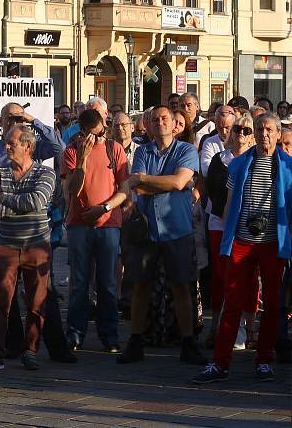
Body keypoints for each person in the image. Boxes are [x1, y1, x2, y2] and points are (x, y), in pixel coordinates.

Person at [194, 113, 292, 384]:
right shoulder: (238, 165)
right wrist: (228, 236)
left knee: (273, 305)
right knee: (232, 302)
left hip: (273, 243)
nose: (264, 134)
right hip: (241, 241)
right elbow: (226, 205)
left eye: (269, 130)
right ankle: (220, 363)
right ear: (252, 134)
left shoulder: (288, 167)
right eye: (259, 129)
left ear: (277, 133)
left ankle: (264, 361)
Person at [0, 103, 64, 353]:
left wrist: (31, 118)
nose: (14, 121)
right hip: (4, 234)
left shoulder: (33, 149)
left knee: (41, 294)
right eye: (10, 117)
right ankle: (13, 344)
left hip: (34, 237)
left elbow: (59, 147)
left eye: (18, 117)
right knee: (5, 294)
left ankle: (52, 346)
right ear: (0, 120)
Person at [118, 105, 206, 365]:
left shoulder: (187, 150)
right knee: (141, 286)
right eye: (155, 119)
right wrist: (153, 183)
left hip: (176, 229)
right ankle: (135, 341)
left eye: (164, 118)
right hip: (147, 229)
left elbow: (179, 182)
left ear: (173, 123)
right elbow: (141, 188)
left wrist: (146, 180)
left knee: (181, 286)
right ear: (148, 123)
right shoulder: (143, 151)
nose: (160, 123)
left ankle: (188, 342)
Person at [0, 124, 56, 372]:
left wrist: (4, 200)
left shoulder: (45, 173)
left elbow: (37, 200)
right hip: (7, 245)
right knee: (0, 300)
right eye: (6, 142)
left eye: (12, 143)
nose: (6, 147)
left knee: (37, 301)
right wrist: (20, 206)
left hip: (37, 245)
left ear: (28, 146)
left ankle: (30, 351)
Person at [62, 109, 130, 353]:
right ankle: (75, 333)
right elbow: (72, 189)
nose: (96, 138)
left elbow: (125, 189)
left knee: (107, 283)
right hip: (79, 225)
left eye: (100, 132)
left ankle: (109, 335)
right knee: (79, 283)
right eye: (90, 133)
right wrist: (82, 158)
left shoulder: (116, 150)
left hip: (108, 224)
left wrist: (104, 208)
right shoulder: (71, 151)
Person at [202, 115, 255, 349]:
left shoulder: (258, 160)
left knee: (249, 278)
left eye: (246, 130)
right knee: (221, 275)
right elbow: (214, 190)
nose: (240, 134)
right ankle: (217, 327)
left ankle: (247, 328)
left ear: (253, 135)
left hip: (247, 226)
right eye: (237, 130)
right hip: (220, 224)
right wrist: (228, 216)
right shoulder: (219, 159)